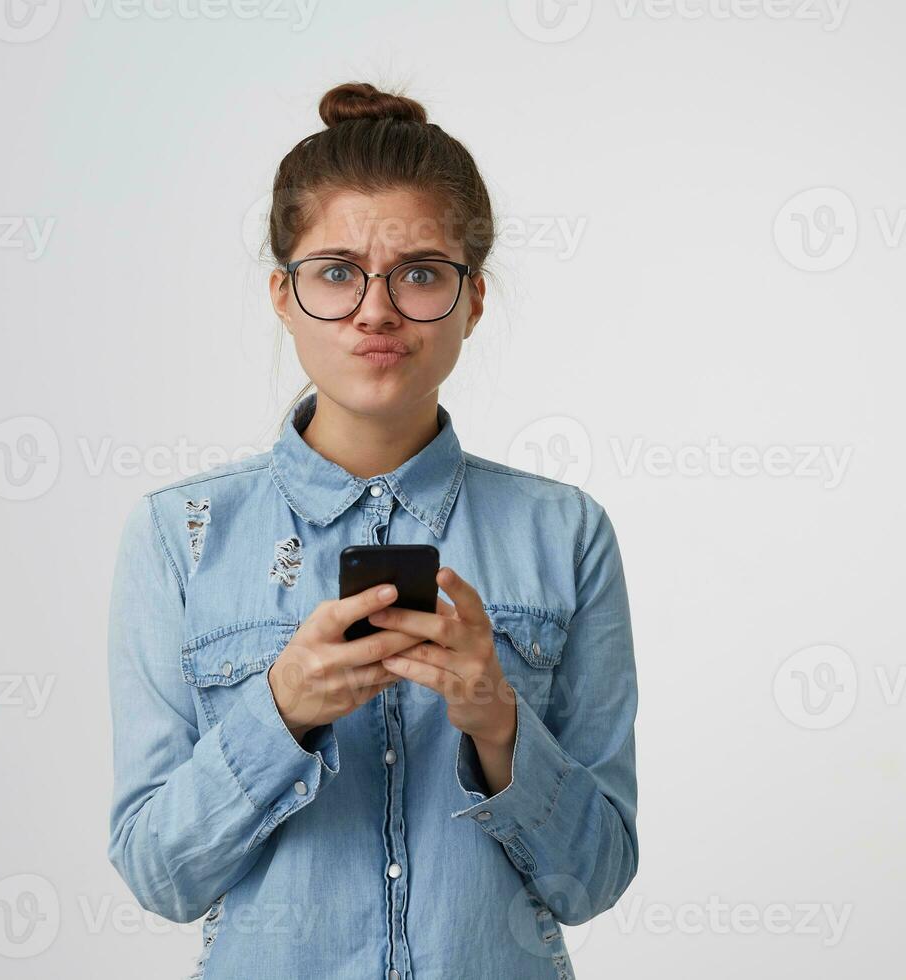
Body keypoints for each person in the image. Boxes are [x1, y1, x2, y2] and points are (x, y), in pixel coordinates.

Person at [108, 80, 638, 980]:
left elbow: (595, 881)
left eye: (422, 272)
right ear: (283, 293)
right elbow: (162, 875)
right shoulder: (182, 535)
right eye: (337, 271)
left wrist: (498, 723)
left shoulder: (566, 533)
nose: (377, 310)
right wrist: (279, 714)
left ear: (474, 301)